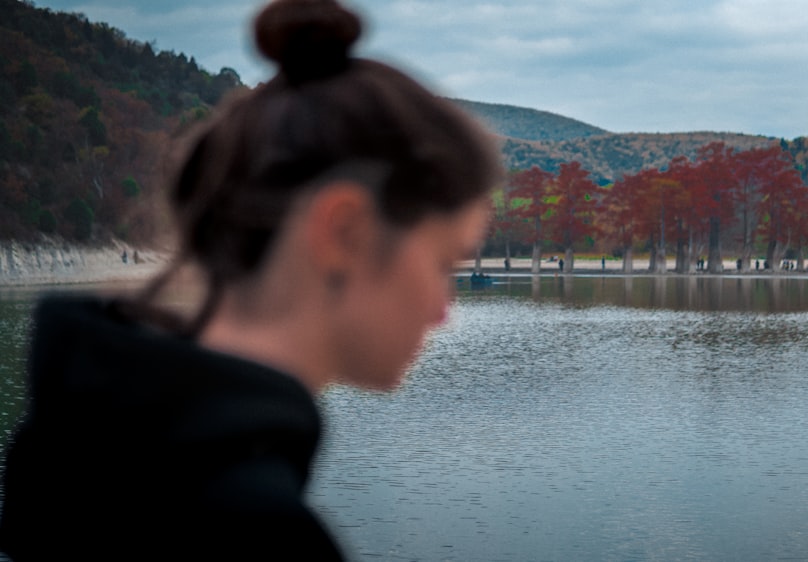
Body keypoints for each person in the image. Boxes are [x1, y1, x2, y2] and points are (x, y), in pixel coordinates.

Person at [0, 0, 501, 560]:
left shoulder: (72, 456)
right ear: (344, 232)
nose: (444, 310)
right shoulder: (257, 533)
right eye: (443, 264)